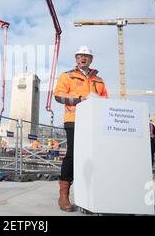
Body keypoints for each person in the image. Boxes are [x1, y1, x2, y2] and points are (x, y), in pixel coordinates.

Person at [54, 45, 108, 212]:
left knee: (93, 156)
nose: (83, 58)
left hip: (93, 121)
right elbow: (58, 95)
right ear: (76, 59)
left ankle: (90, 195)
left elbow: (105, 99)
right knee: (72, 155)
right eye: (80, 56)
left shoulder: (99, 80)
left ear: (91, 60)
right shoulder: (67, 76)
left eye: (86, 56)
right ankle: (64, 195)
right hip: (74, 119)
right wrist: (80, 99)